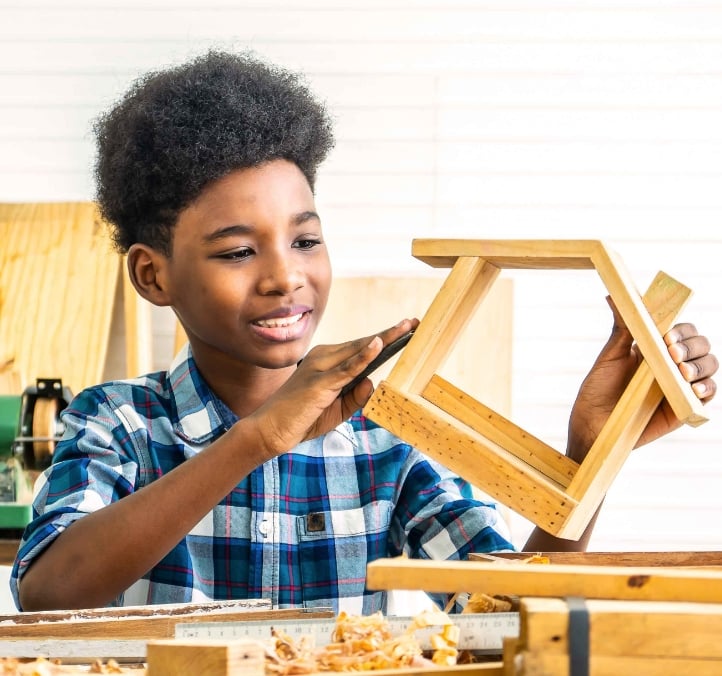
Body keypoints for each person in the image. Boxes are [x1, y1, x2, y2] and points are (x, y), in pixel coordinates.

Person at [11, 50, 718, 614]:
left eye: (307, 240)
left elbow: (507, 618)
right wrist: (255, 440)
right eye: (236, 251)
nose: (285, 277)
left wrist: (589, 456)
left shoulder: (384, 444)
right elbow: (47, 591)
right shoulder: (119, 423)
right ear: (153, 276)